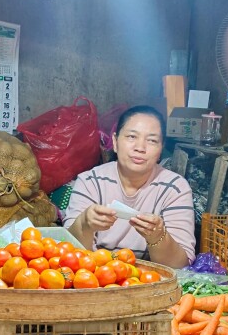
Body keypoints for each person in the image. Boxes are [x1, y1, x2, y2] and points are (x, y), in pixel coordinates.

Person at [64, 105, 195, 268]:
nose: (140, 148)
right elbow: (67, 254)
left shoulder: (175, 188)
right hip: (95, 278)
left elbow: (180, 266)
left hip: (149, 282)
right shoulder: (91, 181)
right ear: (115, 141)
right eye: (132, 137)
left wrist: (158, 237)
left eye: (152, 140)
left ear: (161, 149)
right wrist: (85, 224)